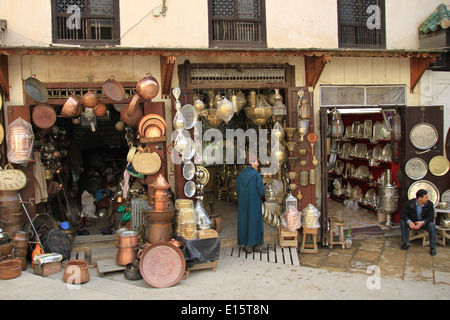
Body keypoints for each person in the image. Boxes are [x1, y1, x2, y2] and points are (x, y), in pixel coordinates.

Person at [236, 154, 268, 253]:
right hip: (254, 203)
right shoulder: (256, 175)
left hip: (243, 204)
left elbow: (237, 190)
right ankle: (257, 246)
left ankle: (248, 246)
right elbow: (262, 191)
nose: (258, 164)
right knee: (256, 222)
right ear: (252, 163)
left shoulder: (240, 175)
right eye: (256, 162)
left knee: (245, 222)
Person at [400, 189, 437, 256]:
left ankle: (432, 247)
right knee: (403, 222)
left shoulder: (429, 204)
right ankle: (406, 243)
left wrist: (422, 222)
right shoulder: (409, 203)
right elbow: (403, 214)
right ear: (420, 198)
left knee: (432, 225)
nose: (427, 199)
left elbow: (431, 217)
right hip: (413, 222)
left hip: (423, 223)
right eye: (426, 197)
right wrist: (409, 222)